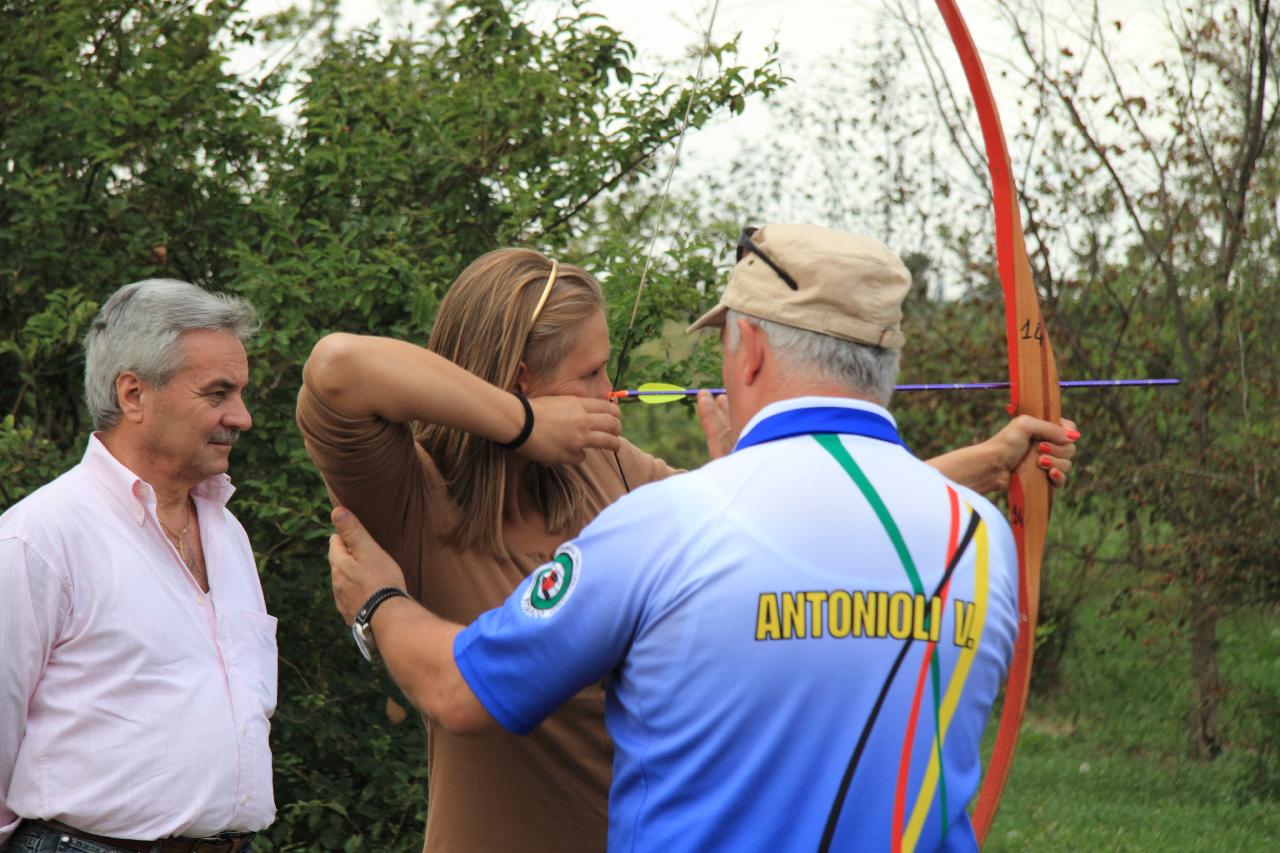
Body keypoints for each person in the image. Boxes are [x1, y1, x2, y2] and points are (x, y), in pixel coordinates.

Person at [299, 235, 1077, 852]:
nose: (610, 396)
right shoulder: (416, 491)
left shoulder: (612, 476)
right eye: (591, 373)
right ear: (519, 378)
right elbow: (338, 369)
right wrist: (526, 425)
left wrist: (985, 461)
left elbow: (768, 516)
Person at [0, 280, 274, 851]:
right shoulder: (41, 537)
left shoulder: (230, 534)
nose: (242, 417)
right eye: (218, 393)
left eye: (241, 394)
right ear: (132, 395)